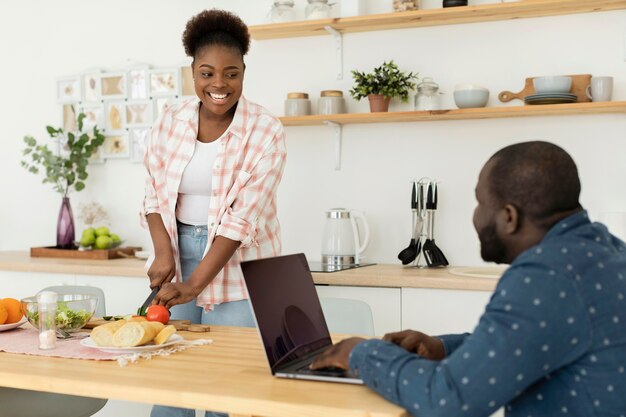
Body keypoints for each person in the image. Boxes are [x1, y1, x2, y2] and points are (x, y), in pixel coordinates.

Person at [312, 141, 626, 417]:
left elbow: (448, 400)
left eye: (479, 202)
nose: (475, 215)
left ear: (508, 217)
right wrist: (442, 348)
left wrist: (360, 352)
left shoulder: (547, 275)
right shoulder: (605, 250)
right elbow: (537, 341)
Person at [141, 9, 286, 417]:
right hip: (180, 249)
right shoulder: (169, 121)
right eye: (207, 73)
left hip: (242, 263)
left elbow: (241, 221)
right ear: (192, 73)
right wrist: (164, 253)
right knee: (173, 380)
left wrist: (195, 285)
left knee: (228, 385)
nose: (219, 84)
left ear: (243, 72)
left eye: (231, 73)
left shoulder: (266, 131)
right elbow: (153, 194)